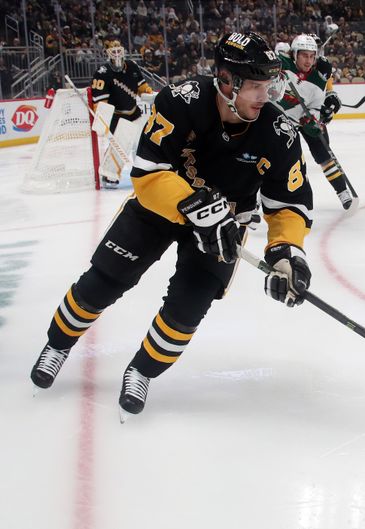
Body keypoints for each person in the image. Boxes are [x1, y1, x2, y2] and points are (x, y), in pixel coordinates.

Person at [30, 31, 313, 421]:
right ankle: (58, 345)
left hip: (221, 230)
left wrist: (287, 252)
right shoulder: (181, 102)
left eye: (269, 85)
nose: (265, 96)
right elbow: (147, 173)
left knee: (186, 311)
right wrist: (192, 204)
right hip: (159, 208)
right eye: (256, 86)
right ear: (226, 81)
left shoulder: (279, 134)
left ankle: (142, 371)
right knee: (104, 280)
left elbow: (289, 204)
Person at [275, 33, 354, 210]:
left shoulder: (319, 76)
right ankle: (257, 198)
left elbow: (317, 106)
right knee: (275, 156)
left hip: (305, 116)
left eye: (312, 56)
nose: (308, 60)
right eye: (304, 55)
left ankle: (342, 191)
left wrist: (313, 120)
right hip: (284, 118)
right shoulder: (281, 64)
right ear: (294, 54)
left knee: (323, 154)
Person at [91, 40, 155, 188]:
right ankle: (109, 175)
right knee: (121, 144)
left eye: (118, 49)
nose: (117, 53)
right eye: (113, 49)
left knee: (143, 144)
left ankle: (143, 171)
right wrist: (102, 119)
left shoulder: (132, 66)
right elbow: (100, 101)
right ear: (107, 52)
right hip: (117, 116)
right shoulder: (102, 73)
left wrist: (147, 92)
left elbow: (141, 86)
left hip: (135, 113)